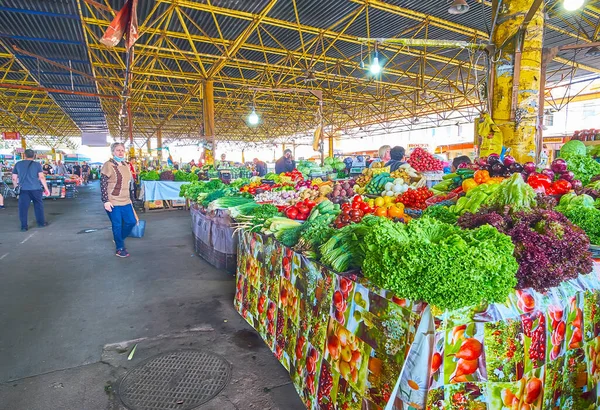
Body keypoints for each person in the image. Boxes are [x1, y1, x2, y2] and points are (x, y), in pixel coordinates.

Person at [101, 142, 137, 258]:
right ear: (113, 152)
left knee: (131, 222)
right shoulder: (108, 165)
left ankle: (118, 239)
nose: (120, 152)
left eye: (122, 150)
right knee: (116, 225)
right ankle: (120, 247)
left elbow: (129, 184)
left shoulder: (126, 165)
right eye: (118, 150)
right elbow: (103, 183)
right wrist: (105, 200)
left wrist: (131, 199)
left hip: (125, 200)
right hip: (113, 200)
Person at [12, 149, 50, 231]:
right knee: (38, 206)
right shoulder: (37, 165)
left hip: (23, 190)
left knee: (23, 208)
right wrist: (46, 189)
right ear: (34, 156)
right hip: (36, 189)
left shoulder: (18, 164)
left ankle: (24, 227)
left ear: (24, 155)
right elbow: (41, 177)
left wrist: (16, 187)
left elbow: (14, 178)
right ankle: (41, 223)